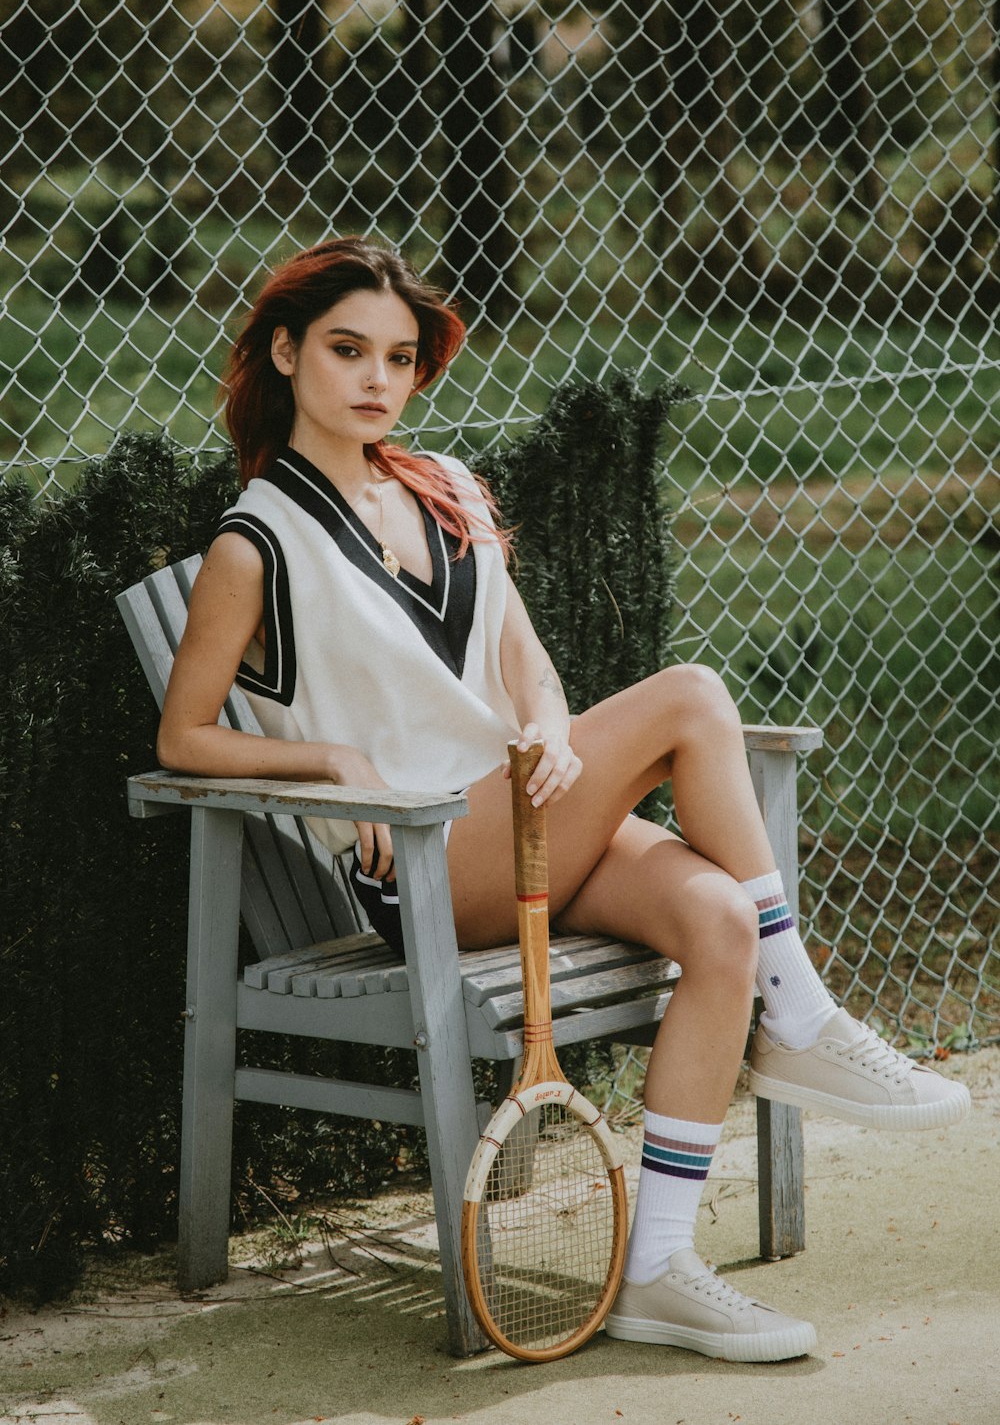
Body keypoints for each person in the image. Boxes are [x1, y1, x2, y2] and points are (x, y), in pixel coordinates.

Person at [158, 236, 971, 1365]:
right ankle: (803, 1019)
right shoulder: (257, 541)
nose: (376, 379)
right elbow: (182, 736)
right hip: (436, 865)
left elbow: (524, 661)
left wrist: (543, 721)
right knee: (691, 696)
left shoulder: (443, 489)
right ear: (286, 353)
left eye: (399, 357)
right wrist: (334, 765)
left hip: (533, 818)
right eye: (346, 350)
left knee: (719, 923)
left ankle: (654, 1273)